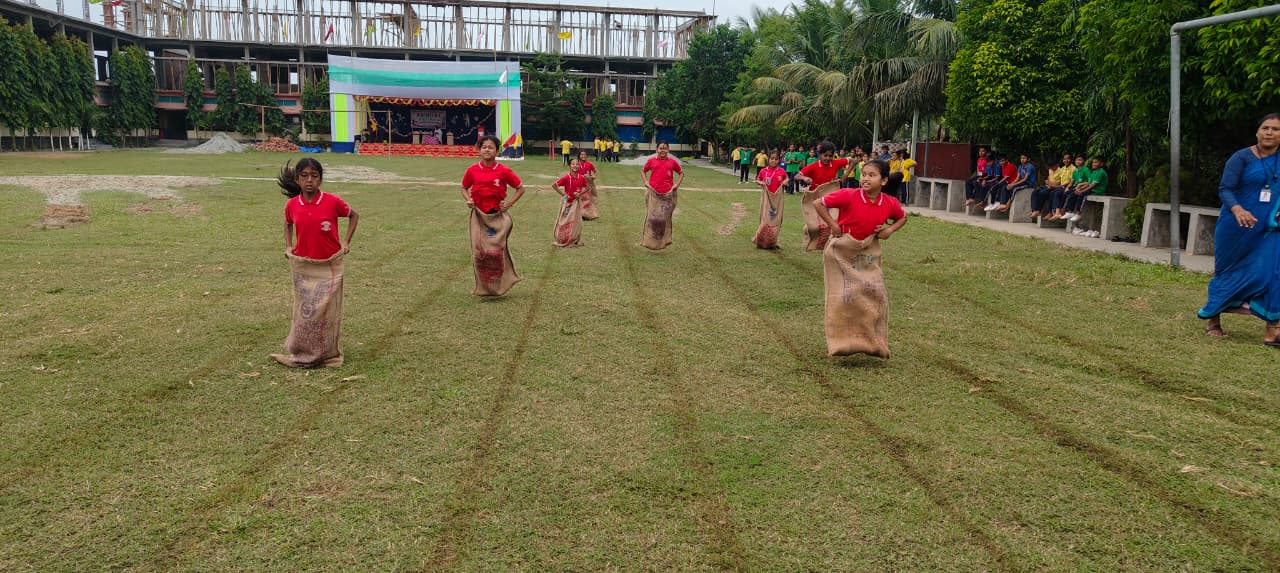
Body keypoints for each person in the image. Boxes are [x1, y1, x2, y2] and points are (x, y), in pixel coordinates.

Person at [813, 159, 907, 358]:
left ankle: (872, 341)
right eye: (863, 174)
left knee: (874, 292)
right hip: (842, 249)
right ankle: (842, 342)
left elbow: (902, 217)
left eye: (871, 175)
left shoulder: (889, 202)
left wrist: (889, 230)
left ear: (883, 181)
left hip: (867, 250)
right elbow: (818, 203)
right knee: (844, 296)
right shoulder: (849, 195)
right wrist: (833, 224)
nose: (865, 179)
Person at [1199, 113, 1280, 343]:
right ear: (1257, 132)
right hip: (1236, 227)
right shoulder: (1241, 157)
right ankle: (1213, 319)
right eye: (1265, 128)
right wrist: (1238, 210)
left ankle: (1273, 329)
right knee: (1227, 272)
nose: (1270, 133)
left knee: (1272, 274)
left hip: (1269, 229)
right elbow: (1225, 189)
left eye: (1275, 129)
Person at [271, 158, 359, 368]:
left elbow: (354, 215)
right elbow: (288, 222)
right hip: (304, 265)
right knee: (305, 312)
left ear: (320, 179)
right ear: (297, 179)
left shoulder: (332, 201)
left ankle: (327, 354)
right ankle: (302, 352)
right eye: (304, 176)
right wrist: (288, 246)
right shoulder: (292, 204)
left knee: (327, 311)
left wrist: (345, 241)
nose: (309, 180)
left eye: (314, 176)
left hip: (328, 265)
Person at [462, 135, 527, 296]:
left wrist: (509, 204)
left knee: (495, 253)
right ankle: (485, 287)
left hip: (496, 216)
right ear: (479, 150)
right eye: (484, 147)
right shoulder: (472, 170)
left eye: (491, 147)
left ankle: (499, 285)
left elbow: (520, 188)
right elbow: (463, 187)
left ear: (497, 150)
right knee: (479, 252)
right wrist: (469, 199)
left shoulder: (504, 171)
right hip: (478, 216)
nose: (487, 150)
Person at [640, 141, 684, 250]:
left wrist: (676, 185)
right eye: (661, 148)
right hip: (653, 194)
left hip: (667, 195)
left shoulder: (672, 162)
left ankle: (663, 241)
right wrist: (646, 181)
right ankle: (650, 242)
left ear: (668, 150)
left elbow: (681, 173)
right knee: (653, 218)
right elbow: (643, 170)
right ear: (656, 150)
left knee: (664, 219)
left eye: (665, 148)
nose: (663, 150)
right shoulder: (651, 161)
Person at [753, 152, 789, 249]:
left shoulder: (781, 171)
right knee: (765, 218)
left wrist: (785, 182)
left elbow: (787, 179)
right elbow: (757, 180)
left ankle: (773, 241)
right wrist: (761, 183)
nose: (774, 160)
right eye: (772, 158)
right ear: (768, 159)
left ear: (779, 160)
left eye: (776, 159)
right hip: (766, 198)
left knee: (777, 219)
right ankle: (761, 240)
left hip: (777, 200)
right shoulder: (764, 171)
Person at [552, 157, 588, 246]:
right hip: (567, 203)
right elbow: (554, 185)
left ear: (579, 166)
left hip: (576, 202)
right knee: (564, 220)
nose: (575, 166)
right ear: (569, 166)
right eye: (573, 164)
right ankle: (562, 238)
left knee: (577, 221)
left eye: (577, 164)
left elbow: (588, 187)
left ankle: (576, 239)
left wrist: (580, 194)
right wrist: (563, 194)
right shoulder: (566, 177)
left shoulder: (582, 178)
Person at [1031, 153, 1075, 220]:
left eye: (1068, 159)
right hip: (1054, 186)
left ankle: (1052, 212)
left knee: (1047, 193)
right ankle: (1035, 210)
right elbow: (1051, 178)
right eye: (1064, 159)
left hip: (1063, 187)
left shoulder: (1071, 169)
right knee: (1035, 191)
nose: (1066, 160)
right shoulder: (1062, 168)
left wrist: (1054, 186)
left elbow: (1067, 181)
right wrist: (1048, 182)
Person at [1046, 155, 1087, 221]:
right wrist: (1067, 187)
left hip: (1078, 187)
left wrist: (1066, 186)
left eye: (1080, 160)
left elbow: (1088, 182)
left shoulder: (1079, 169)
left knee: (1059, 193)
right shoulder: (1069, 169)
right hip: (1068, 186)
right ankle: (1053, 212)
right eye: (1064, 159)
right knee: (1053, 193)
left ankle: (1063, 212)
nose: (1066, 160)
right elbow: (1072, 181)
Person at [577, 150, 600, 220]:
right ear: (579, 156)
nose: (583, 156)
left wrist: (594, 176)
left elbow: (595, 171)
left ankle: (588, 215)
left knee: (588, 200)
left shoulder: (589, 164)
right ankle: (580, 214)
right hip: (579, 184)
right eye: (581, 155)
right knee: (580, 199)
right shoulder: (576, 164)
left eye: (584, 154)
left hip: (588, 184)